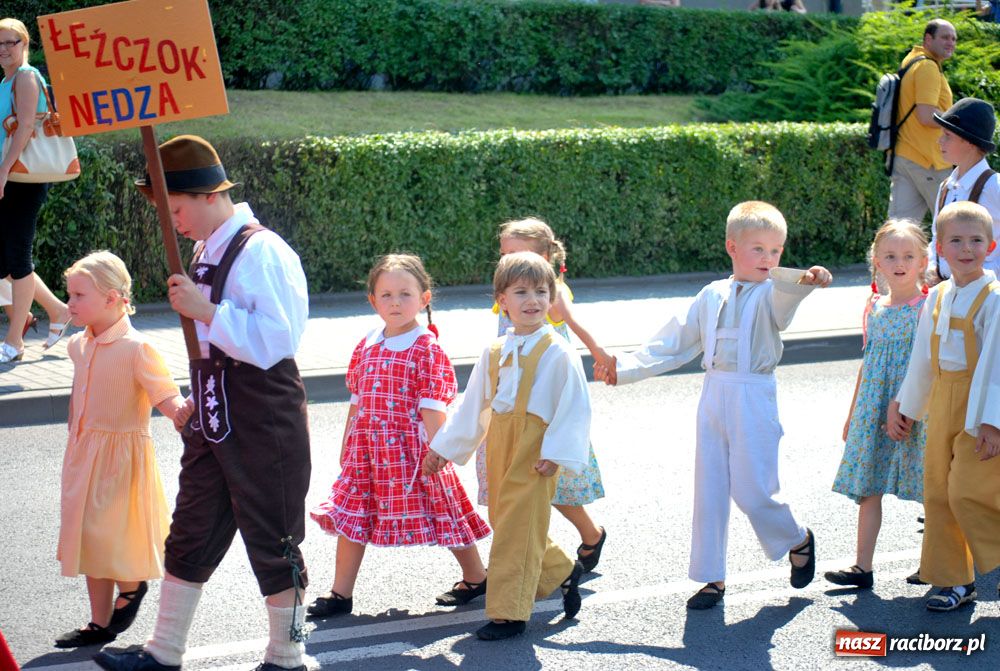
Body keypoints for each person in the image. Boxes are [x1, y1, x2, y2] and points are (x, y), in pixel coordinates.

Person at [94, 135, 312, 671]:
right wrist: (198, 393)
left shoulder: (263, 250)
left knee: (273, 534)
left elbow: (277, 341)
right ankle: (164, 652)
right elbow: (216, 347)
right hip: (215, 413)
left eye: (176, 209)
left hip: (264, 413)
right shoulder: (207, 247)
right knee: (191, 527)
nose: (174, 222)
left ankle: (289, 657)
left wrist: (206, 309)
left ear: (209, 195)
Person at [595, 201, 831, 609]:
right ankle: (711, 578)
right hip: (713, 393)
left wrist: (807, 280)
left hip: (753, 396)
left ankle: (798, 538)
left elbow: (786, 300)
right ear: (731, 247)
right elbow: (674, 343)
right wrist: (625, 368)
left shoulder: (773, 292)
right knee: (710, 488)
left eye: (776, 251)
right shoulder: (712, 294)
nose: (768, 258)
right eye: (758, 249)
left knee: (753, 491)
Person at [307, 254, 490, 617]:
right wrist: (347, 446)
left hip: (416, 452)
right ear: (373, 300)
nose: (395, 302)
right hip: (367, 452)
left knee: (443, 511)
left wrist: (440, 453)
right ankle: (340, 594)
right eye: (386, 294)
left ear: (424, 298)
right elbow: (356, 401)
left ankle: (476, 575)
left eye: (405, 294)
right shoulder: (368, 343)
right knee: (353, 512)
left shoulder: (427, 348)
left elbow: (433, 408)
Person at [425, 252, 589, 641]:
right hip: (500, 441)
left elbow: (575, 404)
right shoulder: (495, 350)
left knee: (516, 528)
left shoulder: (558, 350)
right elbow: (474, 405)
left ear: (551, 298)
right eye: (521, 291)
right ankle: (562, 569)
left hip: (537, 448)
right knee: (505, 518)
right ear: (501, 299)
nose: (532, 300)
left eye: (541, 291)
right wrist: (444, 447)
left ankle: (509, 614)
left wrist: (556, 451)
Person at [53, 251, 187, 648]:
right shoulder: (78, 345)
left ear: (112, 298)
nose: (70, 303)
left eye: (78, 296)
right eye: (69, 295)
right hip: (82, 454)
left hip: (121, 461)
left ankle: (131, 585)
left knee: (106, 535)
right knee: (88, 539)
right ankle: (98, 623)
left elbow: (165, 395)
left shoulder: (137, 348)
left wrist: (184, 412)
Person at [472, 218, 609, 575]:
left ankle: (588, 535)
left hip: (543, 402)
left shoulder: (550, 290)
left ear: (545, 255)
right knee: (519, 491)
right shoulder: (512, 289)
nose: (508, 260)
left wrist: (598, 351)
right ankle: (539, 559)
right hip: (513, 403)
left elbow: (574, 324)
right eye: (504, 254)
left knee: (553, 485)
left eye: (517, 252)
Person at [888, 201, 1000, 612]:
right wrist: (905, 404)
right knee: (936, 492)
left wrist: (993, 422)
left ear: (991, 246)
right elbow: (922, 357)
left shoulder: (995, 299)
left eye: (975, 240)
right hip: (942, 399)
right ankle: (955, 582)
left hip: (980, 405)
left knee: (968, 492)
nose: (966, 248)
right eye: (956, 240)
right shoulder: (935, 296)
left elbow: (998, 368)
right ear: (940, 246)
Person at [825, 221, 928, 589]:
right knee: (869, 487)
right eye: (890, 256)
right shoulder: (873, 307)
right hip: (874, 404)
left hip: (914, 406)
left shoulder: (926, 307)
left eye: (907, 256)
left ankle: (934, 563)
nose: (899, 262)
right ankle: (862, 567)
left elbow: (926, 363)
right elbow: (867, 363)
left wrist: (910, 407)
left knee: (929, 487)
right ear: (877, 262)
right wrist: (853, 414)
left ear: (922, 261)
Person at [0, 18, 72, 362]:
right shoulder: (6, 81)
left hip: (22, 179)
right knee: (7, 260)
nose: (3, 49)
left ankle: (14, 342)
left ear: (24, 44)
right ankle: (57, 310)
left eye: (10, 43)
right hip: (10, 176)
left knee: (18, 257)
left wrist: (2, 172)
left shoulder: (27, 76)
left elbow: (26, 127)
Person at [887, 19, 956, 223]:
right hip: (929, 161)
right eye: (944, 37)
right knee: (952, 225)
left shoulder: (912, 60)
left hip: (904, 156)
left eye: (953, 39)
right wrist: (959, 125)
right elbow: (926, 115)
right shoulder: (927, 67)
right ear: (928, 39)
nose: (951, 42)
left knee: (899, 227)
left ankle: (886, 256)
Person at [928, 98, 999, 283]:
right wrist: (932, 267)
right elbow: (937, 236)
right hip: (948, 290)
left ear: (969, 141)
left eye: (947, 135)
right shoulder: (946, 186)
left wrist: (989, 273)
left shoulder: (994, 185)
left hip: (985, 295)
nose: (939, 140)